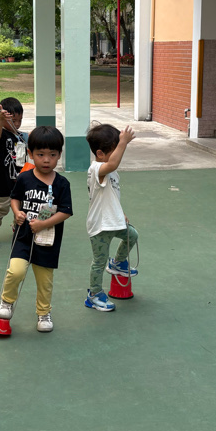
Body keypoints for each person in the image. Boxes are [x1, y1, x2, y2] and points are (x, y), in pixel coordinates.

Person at [0, 125, 72, 334]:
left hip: (48, 240)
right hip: (23, 236)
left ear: (59, 155)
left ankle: (43, 313)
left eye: (52, 155)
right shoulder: (24, 178)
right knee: (15, 271)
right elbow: (15, 198)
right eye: (40, 154)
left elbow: (66, 211)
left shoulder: (62, 184)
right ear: (30, 153)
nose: (46, 160)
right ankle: (6, 303)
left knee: (45, 281)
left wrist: (44, 224)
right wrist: (17, 212)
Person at [85, 123, 140, 312]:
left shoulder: (111, 172)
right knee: (99, 261)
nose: (118, 153)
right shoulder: (96, 169)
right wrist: (123, 142)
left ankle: (117, 262)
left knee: (132, 235)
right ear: (100, 154)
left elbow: (111, 195)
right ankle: (94, 294)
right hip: (100, 226)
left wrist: (120, 213)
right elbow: (113, 163)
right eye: (115, 149)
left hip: (113, 221)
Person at [0, 97, 26, 248]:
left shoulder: (21, 136)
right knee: (2, 208)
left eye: (20, 120)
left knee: (21, 205)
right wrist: (0, 119)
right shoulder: (0, 135)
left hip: (19, 180)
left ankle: (17, 226)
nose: (17, 124)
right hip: (3, 182)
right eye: (13, 121)